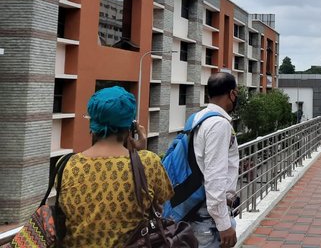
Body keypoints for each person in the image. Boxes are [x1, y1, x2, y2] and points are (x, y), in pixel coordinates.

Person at [58, 86, 173, 248]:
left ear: (92, 123)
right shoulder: (149, 162)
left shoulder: (66, 165)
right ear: (130, 127)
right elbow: (159, 204)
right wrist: (139, 154)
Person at [190, 72, 240, 248]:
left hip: (197, 209)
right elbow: (215, 176)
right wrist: (224, 224)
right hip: (208, 217)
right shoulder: (219, 124)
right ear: (231, 94)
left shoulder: (198, 117)